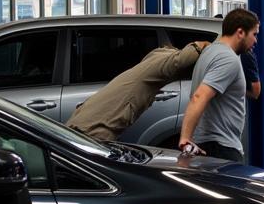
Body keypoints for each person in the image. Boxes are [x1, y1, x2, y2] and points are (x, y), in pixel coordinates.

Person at [67, 40, 210, 141]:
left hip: (81, 125)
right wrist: (204, 45)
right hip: (92, 132)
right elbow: (181, 59)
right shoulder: (160, 63)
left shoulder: (149, 62)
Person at [178, 8, 260, 162]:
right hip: (221, 148)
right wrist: (185, 139)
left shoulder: (210, 51)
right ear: (240, 32)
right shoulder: (227, 59)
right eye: (254, 34)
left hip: (211, 145)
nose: (255, 40)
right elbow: (199, 96)